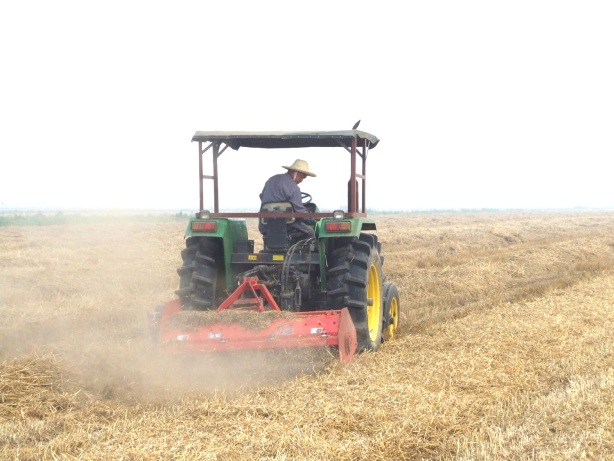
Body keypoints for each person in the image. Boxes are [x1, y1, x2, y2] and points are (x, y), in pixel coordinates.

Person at [259, 159, 316, 239]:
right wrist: (312, 217)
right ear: (294, 172)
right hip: (286, 227)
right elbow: (300, 213)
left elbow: (262, 197)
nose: (302, 180)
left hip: (265, 225)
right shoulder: (294, 188)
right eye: (303, 176)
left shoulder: (271, 180)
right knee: (310, 232)